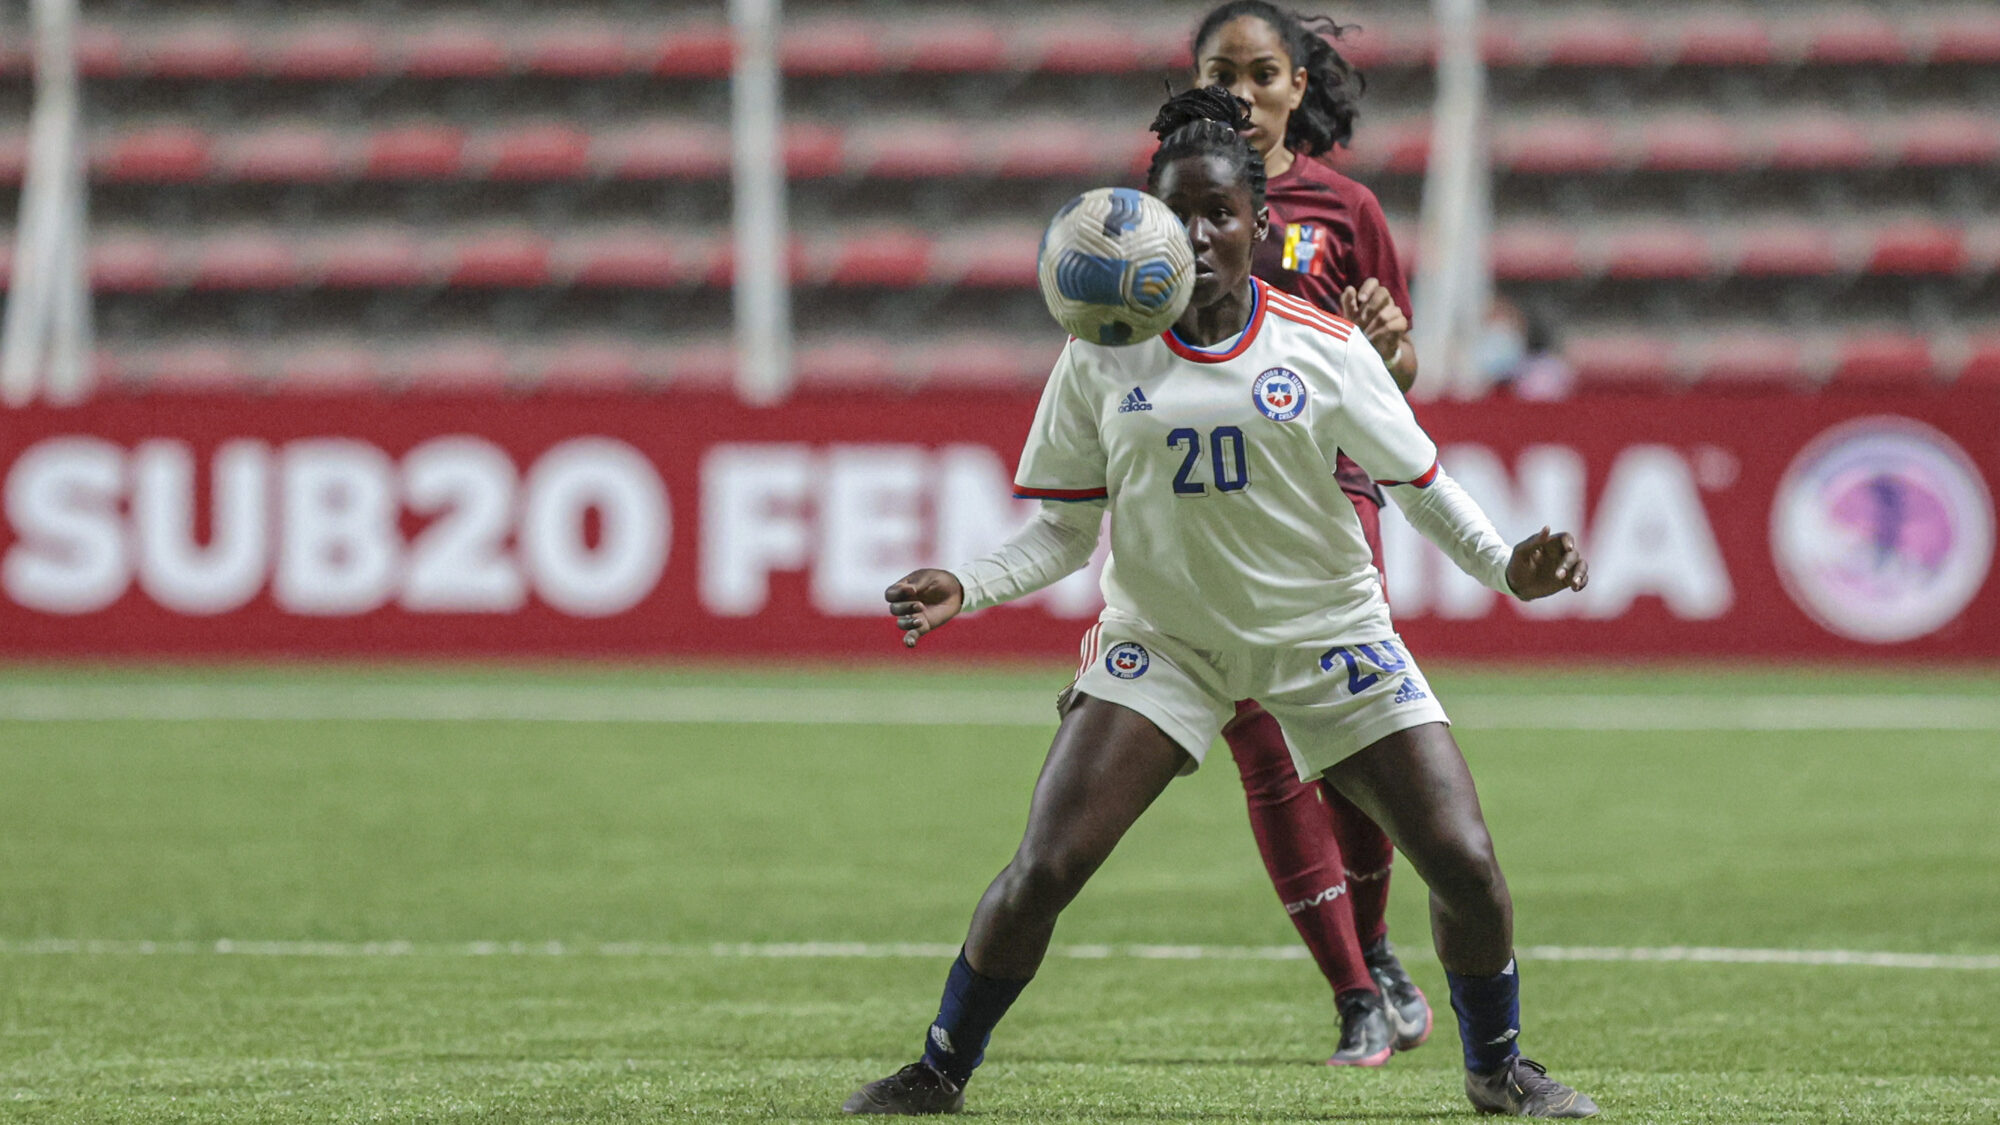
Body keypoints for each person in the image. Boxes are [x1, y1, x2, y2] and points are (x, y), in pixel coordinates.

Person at [842, 87, 1598, 1118]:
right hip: (1164, 647)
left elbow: (1421, 486)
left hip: (1327, 637)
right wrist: (965, 585)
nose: (1196, 235)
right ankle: (936, 1071)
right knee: (1044, 868)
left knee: (1464, 864)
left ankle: (1495, 1069)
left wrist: (1508, 568)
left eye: (1218, 214)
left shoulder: (1323, 347)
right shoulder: (1100, 350)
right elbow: (1067, 528)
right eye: (1175, 214)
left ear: (1258, 223)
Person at [1191, 0, 1428, 1065]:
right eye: (1218, 74)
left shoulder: (1345, 209)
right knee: (1257, 741)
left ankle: (1371, 948)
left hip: (1327, 496)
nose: (1239, 94)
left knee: (1348, 746)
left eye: (1260, 75)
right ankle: (1353, 996)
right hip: (1203, 501)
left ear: (1297, 87)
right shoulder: (1153, 211)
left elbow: (1397, 377)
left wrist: (1389, 345)